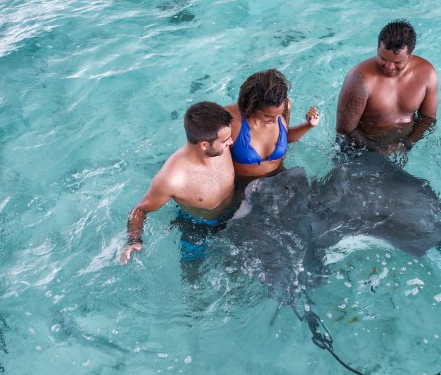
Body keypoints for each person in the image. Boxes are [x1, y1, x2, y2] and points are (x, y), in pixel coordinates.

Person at [120, 101, 235, 265]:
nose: (230, 142)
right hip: (197, 227)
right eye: (225, 140)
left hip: (235, 212)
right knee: (193, 275)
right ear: (204, 144)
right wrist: (134, 242)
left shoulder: (219, 146)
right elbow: (140, 209)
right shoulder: (172, 178)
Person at [336, 20, 438, 153]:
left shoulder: (426, 73)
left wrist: (407, 144)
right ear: (377, 49)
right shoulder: (359, 79)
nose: (389, 67)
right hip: (362, 149)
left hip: (402, 146)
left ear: (410, 55)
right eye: (383, 58)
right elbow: (345, 131)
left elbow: (428, 118)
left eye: (397, 62)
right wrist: (380, 151)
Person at [224, 69, 319, 179]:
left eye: (278, 115)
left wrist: (309, 125)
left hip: (280, 176)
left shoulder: (285, 107)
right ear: (251, 107)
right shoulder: (228, 120)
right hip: (244, 184)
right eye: (268, 116)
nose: (274, 121)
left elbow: (285, 137)